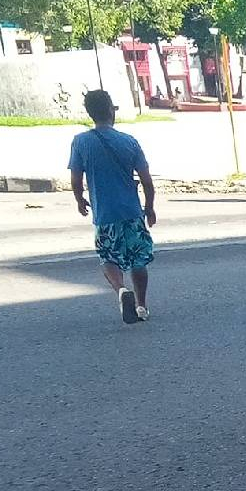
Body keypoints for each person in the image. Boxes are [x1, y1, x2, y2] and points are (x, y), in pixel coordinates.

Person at [68, 90, 157, 324]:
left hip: (104, 215)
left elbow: (76, 178)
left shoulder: (81, 142)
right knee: (138, 259)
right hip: (131, 212)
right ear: (110, 110)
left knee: (108, 258)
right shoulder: (129, 141)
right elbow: (147, 181)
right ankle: (141, 306)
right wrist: (149, 207)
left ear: (90, 113)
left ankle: (120, 289)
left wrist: (80, 199)